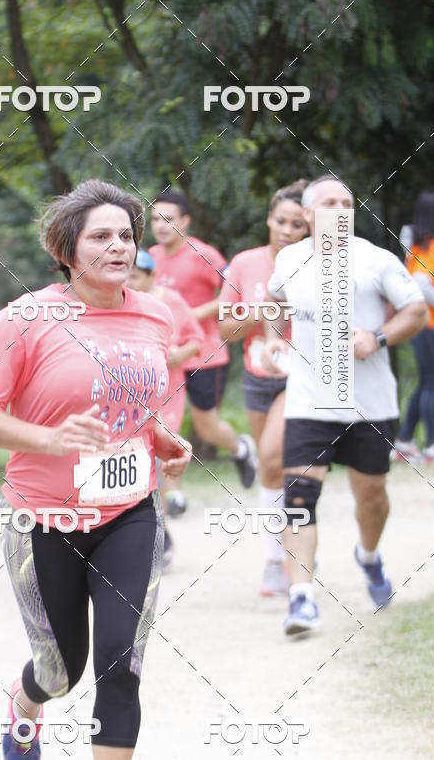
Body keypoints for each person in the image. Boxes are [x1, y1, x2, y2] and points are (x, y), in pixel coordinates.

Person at [0, 180, 191, 759]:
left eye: (126, 234)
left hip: (130, 513)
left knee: (122, 663)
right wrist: (49, 438)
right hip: (43, 519)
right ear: (66, 250)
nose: (119, 245)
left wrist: (161, 439)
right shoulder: (26, 319)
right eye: (101, 236)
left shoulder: (156, 316)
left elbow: (135, 409)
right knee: (61, 670)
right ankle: (25, 703)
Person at [262, 176, 428, 636]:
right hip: (310, 399)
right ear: (309, 214)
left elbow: (415, 311)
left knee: (371, 495)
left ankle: (369, 556)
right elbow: (273, 300)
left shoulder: (376, 260)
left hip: (370, 405)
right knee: (298, 498)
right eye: (328, 202)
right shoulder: (290, 258)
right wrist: (274, 342)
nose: (339, 208)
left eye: (346, 203)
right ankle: (300, 599)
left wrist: (377, 338)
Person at [218, 181, 309, 596]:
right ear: (269, 219)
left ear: (309, 229)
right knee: (273, 470)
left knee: (272, 456)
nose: (288, 230)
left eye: (297, 224)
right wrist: (257, 313)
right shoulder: (244, 263)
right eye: (281, 221)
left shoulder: (317, 264)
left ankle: (285, 558)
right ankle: (281, 554)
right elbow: (225, 329)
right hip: (257, 377)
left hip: (302, 376)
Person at [150, 189, 256, 498]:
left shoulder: (203, 254)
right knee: (162, 423)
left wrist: (195, 314)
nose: (161, 225)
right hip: (167, 355)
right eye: (155, 219)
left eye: (168, 219)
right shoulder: (150, 258)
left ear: (185, 221)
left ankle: (241, 449)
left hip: (205, 353)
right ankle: (174, 495)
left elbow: (234, 289)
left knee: (206, 426)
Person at [128, 247, 204, 567]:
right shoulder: (117, 302)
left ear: (150, 276)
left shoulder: (170, 301)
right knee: (139, 467)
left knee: (155, 464)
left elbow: (196, 340)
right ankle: (154, 532)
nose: (129, 281)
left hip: (168, 394)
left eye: (135, 276)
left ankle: (161, 535)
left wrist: (178, 354)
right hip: (130, 398)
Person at [393, 190, 434, 464]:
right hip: (423, 320)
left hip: (426, 320)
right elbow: (421, 283)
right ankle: (432, 445)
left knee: (428, 379)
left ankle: (403, 442)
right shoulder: (429, 243)